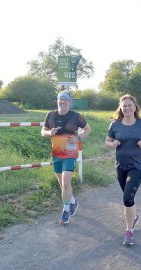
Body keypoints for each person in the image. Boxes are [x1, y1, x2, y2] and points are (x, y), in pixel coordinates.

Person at [105, 94, 141, 246]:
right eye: (124, 105)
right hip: (121, 166)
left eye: (129, 105)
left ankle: (129, 231)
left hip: (137, 166)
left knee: (127, 199)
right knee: (128, 200)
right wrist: (111, 144)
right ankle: (134, 217)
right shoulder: (115, 125)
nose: (127, 108)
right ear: (121, 108)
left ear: (135, 107)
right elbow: (107, 140)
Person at [41, 91, 91, 224]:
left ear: (69, 102)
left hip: (69, 154)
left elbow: (88, 129)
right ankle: (73, 202)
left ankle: (65, 211)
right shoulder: (50, 115)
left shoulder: (76, 116)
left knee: (66, 182)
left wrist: (78, 138)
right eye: (60, 99)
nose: (62, 101)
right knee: (61, 183)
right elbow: (43, 131)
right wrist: (48, 132)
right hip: (56, 153)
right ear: (57, 101)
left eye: (65, 99)